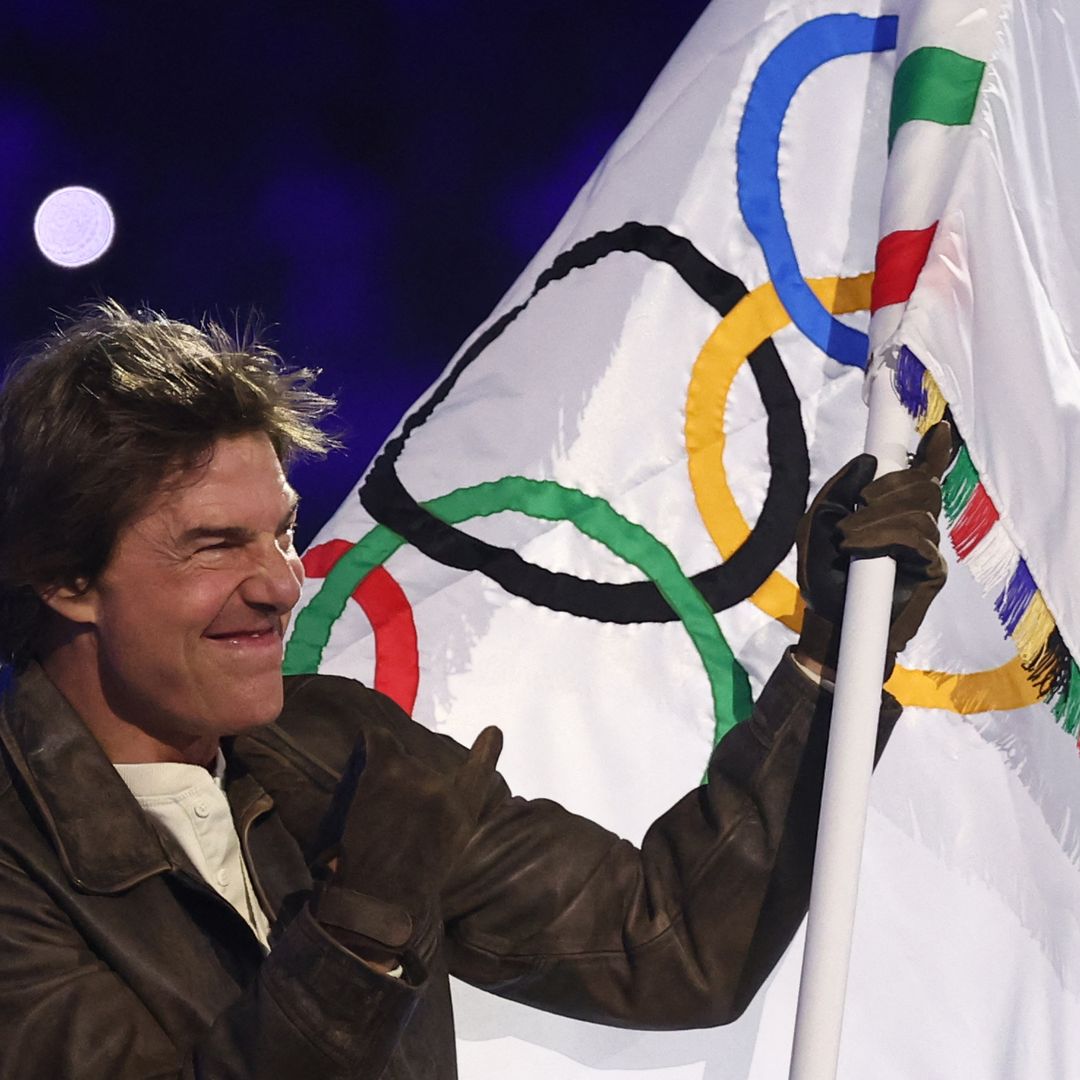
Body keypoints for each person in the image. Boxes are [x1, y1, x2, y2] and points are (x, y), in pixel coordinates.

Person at [0, 301, 949, 1078]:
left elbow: (665, 945)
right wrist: (362, 931)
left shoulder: (337, 747)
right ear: (65, 578)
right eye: (216, 544)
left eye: (282, 533)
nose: (283, 583)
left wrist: (833, 653)